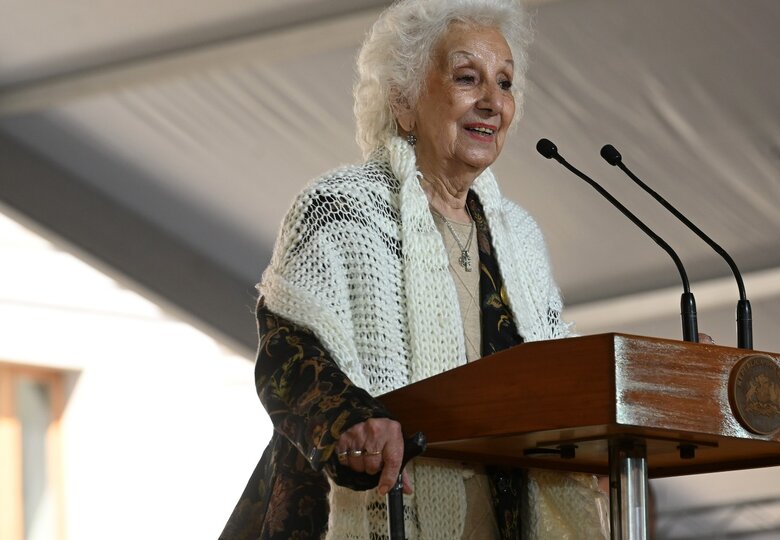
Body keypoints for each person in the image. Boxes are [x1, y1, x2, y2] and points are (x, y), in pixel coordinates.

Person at [221, 0, 607, 538]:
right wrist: (352, 422)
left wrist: (657, 366)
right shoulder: (338, 208)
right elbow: (289, 351)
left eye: (505, 83)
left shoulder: (518, 234)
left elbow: (554, 366)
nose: (493, 102)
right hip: (371, 507)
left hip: (502, 519)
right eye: (468, 78)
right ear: (403, 100)